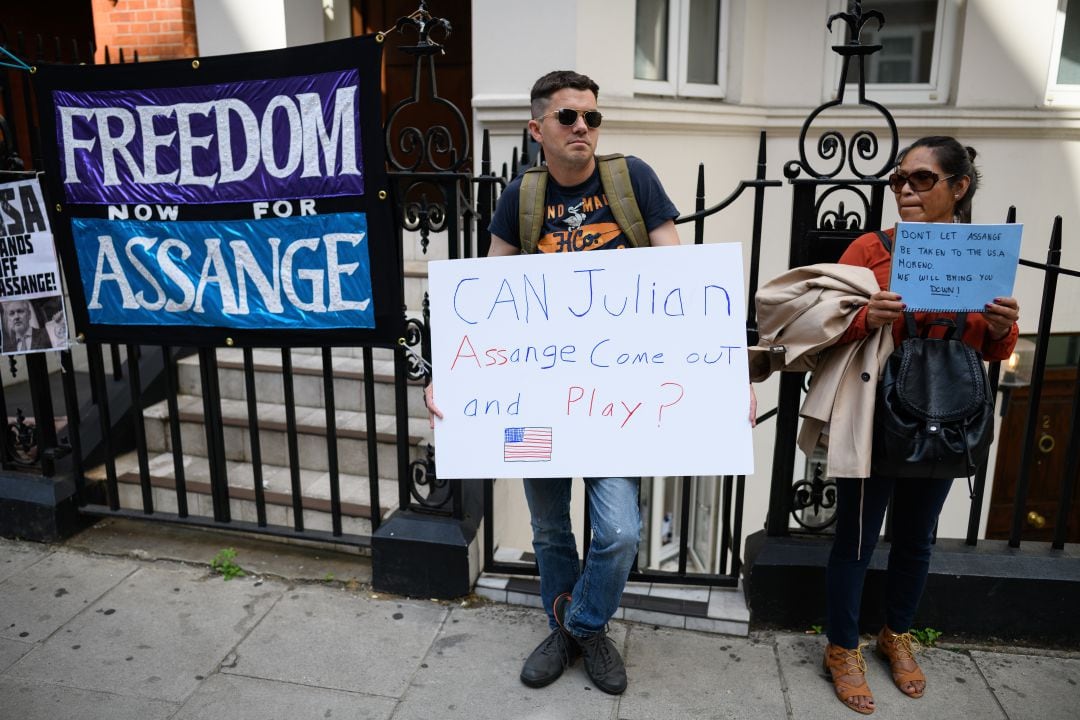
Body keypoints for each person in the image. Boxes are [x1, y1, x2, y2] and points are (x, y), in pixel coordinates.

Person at [427, 69, 681, 695]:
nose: (583, 129)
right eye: (569, 117)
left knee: (619, 531)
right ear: (537, 128)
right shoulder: (521, 197)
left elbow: (683, 284)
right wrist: (450, 374)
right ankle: (575, 630)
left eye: (592, 117)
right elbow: (485, 298)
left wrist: (724, 371)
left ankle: (578, 626)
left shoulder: (632, 180)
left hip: (617, 394)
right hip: (538, 398)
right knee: (549, 529)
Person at [821, 136, 1019, 715]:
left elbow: (991, 346)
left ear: (958, 187)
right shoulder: (869, 249)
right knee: (855, 539)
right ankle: (841, 647)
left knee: (917, 537)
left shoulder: (981, 253)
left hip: (948, 411)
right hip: (876, 410)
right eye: (898, 180)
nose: (905, 190)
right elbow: (823, 328)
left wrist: (1005, 326)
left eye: (921, 179)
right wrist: (864, 316)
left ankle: (896, 634)